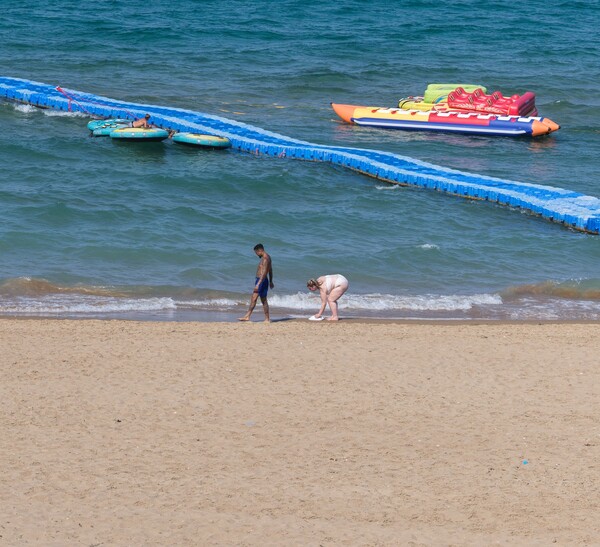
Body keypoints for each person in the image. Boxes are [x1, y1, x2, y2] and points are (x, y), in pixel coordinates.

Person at [238, 244, 274, 322]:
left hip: (261, 281)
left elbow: (264, 273)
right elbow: (270, 270)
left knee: (259, 299)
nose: (256, 255)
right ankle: (249, 316)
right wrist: (271, 281)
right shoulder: (268, 257)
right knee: (258, 299)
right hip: (262, 280)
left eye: (256, 253)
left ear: (259, 250)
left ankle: (265, 318)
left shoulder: (265, 259)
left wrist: (258, 284)